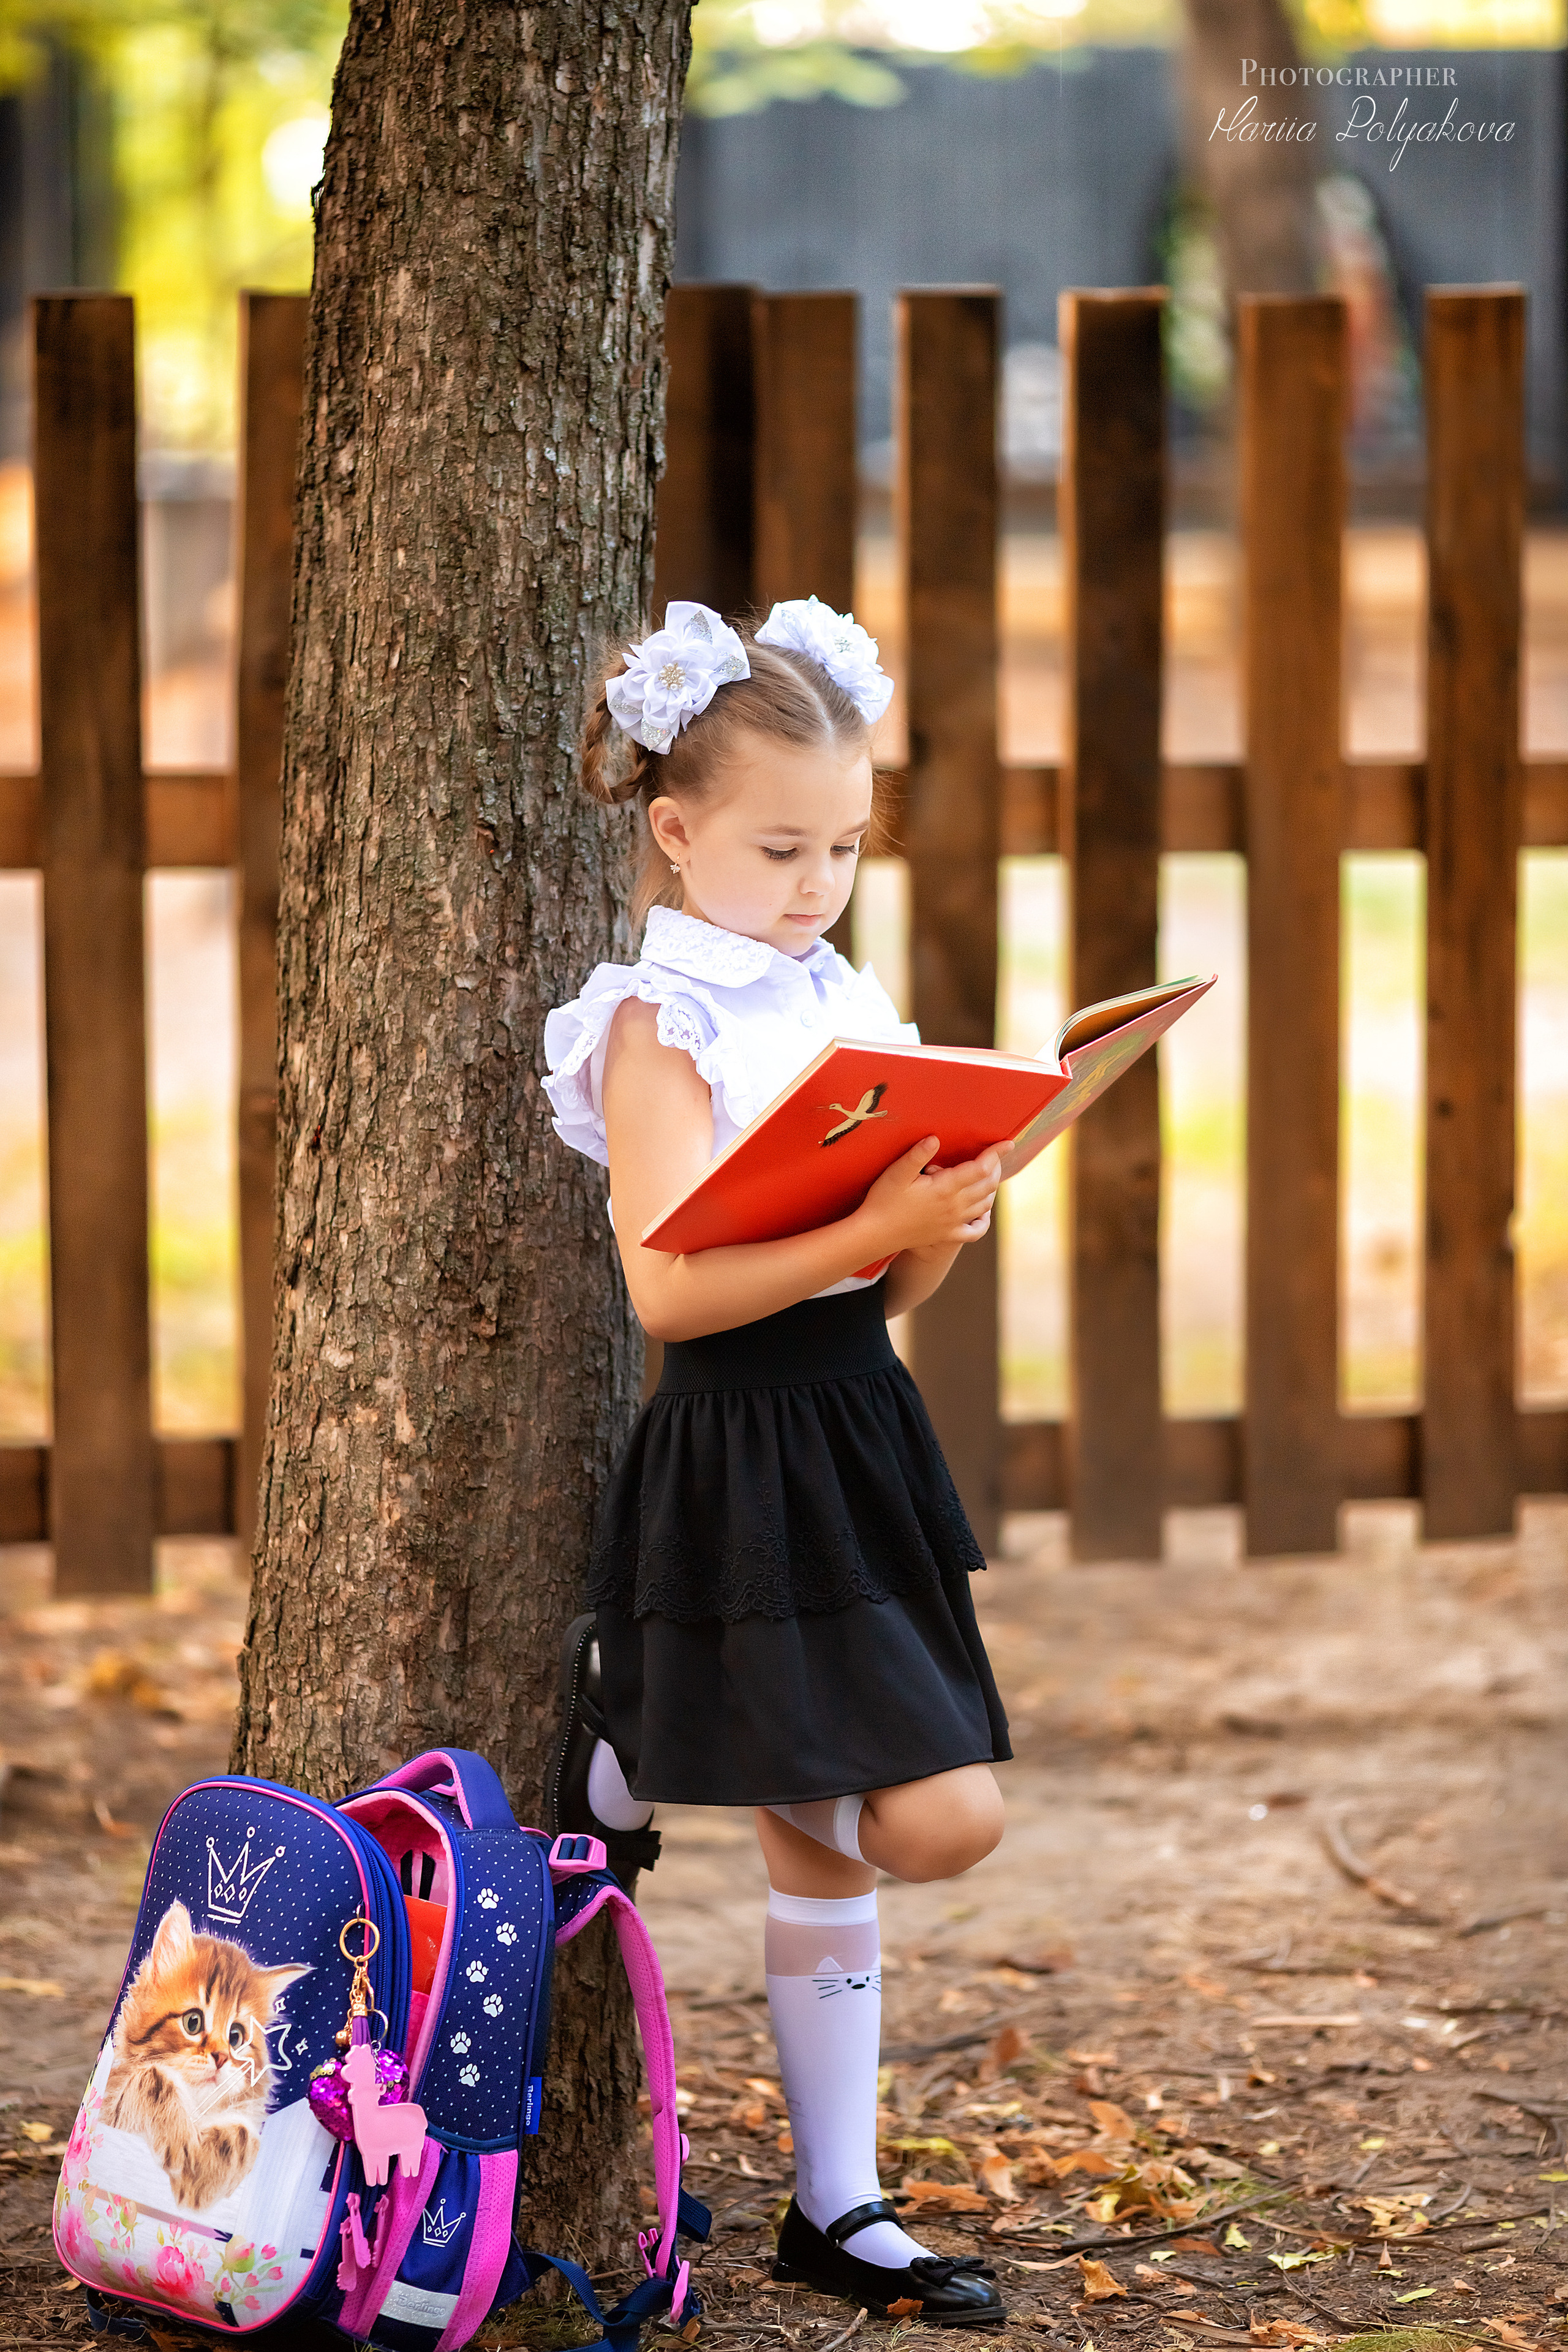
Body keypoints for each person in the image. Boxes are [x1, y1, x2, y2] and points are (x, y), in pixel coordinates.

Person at [542, 597, 1009, 2326]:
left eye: (846, 846)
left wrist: (944, 1214)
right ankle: (645, 1710)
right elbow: (668, 1284)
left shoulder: (834, 991)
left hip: (858, 1430)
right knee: (935, 1815)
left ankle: (840, 2208)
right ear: (676, 835)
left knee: (847, 1840)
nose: (819, 882)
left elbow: (892, 1281)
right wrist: (867, 1231)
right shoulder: (656, 1022)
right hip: (740, 1446)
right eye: (782, 845)